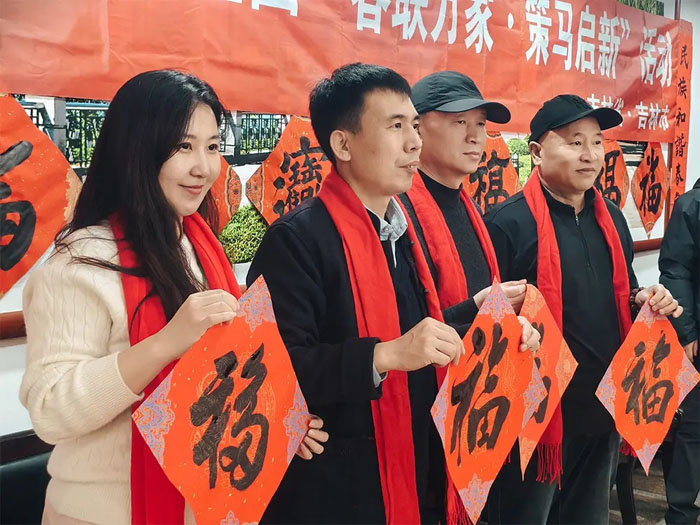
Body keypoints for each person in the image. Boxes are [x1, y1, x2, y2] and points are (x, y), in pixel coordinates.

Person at [20, 69, 326, 525]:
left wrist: (276, 419)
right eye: (184, 146)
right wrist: (164, 343)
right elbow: (50, 411)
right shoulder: (78, 262)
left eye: (213, 147)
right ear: (137, 148)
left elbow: (223, 371)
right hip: (102, 513)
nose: (203, 167)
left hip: (199, 505)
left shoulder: (199, 244)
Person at [247, 62, 540, 524]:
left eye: (414, 126)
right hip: (337, 490)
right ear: (343, 144)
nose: (413, 143)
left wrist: (482, 318)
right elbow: (269, 370)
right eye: (396, 126)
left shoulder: (399, 233)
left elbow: (415, 336)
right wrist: (383, 355)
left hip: (411, 466)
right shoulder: (297, 239)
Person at [484, 94, 683, 524]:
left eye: (596, 142)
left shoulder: (610, 216)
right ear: (537, 152)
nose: (590, 154)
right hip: (534, 418)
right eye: (574, 142)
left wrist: (643, 299)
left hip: (603, 408)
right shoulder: (507, 223)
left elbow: (620, 293)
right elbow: (487, 324)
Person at [399, 70, 527, 327]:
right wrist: (474, 308)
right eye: (460, 122)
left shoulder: (473, 211)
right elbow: (402, 330)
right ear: (417, 128)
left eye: (480, 123)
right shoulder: (396, 216)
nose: (474, 137)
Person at [659, 178, 700, 524]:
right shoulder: (692, 205)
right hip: (698, 335)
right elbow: (675, 269)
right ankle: (681, 512)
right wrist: (686, 331)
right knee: (693, 430)